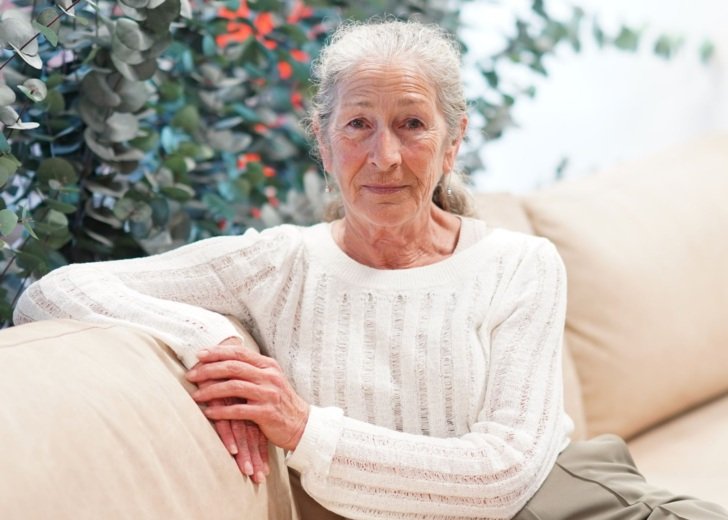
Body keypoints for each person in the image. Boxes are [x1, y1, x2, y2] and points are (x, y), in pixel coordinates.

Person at [13, 19, 728, 520]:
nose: (384, 156)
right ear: (324, 142)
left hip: (570, 502)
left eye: (413, 125)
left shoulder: (520, 264)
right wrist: (214, 342)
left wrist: (304, 429)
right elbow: (52, 292)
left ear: (452, 143)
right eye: (358, 125)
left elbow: (503, 474)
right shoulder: (279, 263)